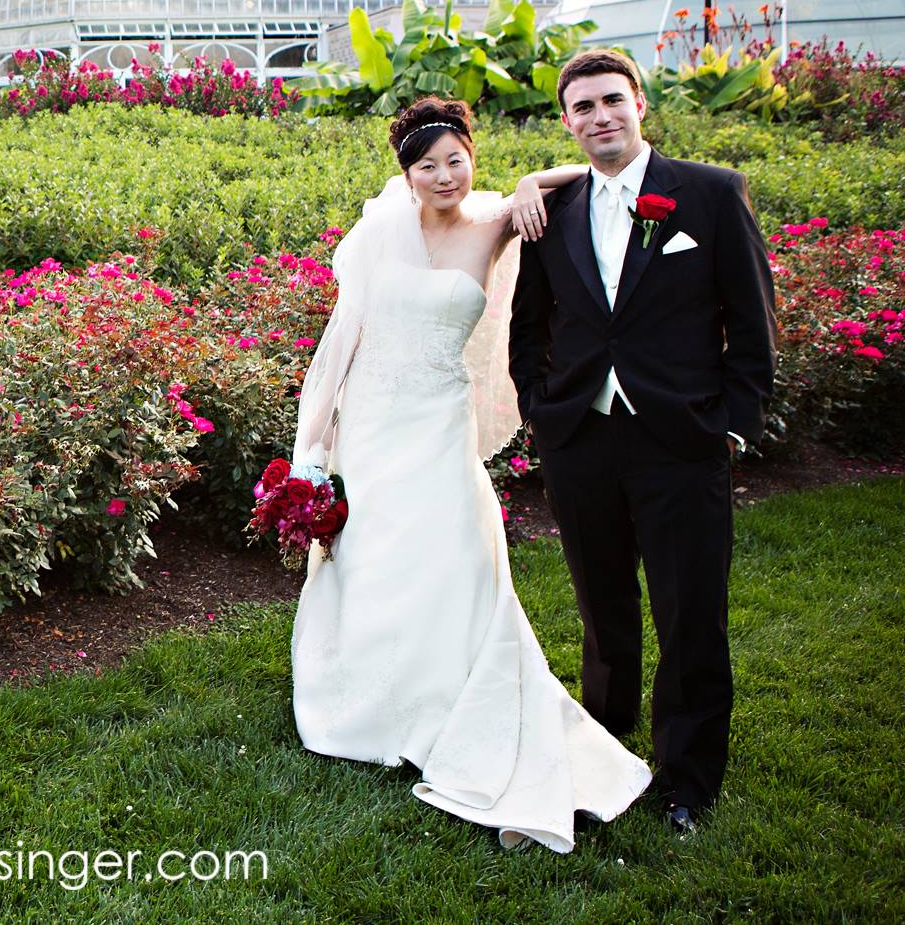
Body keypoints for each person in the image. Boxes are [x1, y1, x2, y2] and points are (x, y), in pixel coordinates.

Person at [287, 95, 653, 853]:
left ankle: (459, 695)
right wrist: (312, 454)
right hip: (375, 424)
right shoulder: (379, 235)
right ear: (408, 175)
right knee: (374, 559)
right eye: (429, 165)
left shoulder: (493, 222)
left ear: (471, 160)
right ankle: (374, 702)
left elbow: (586, 171)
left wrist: (526, 183)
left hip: (440, 425)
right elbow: (339, 349)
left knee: (454, 556)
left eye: (457, 159)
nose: (446, 174)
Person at [509, 49, 777, 835]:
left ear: (640, 105)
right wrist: (538, 404)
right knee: (603, 605)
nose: (600, 117)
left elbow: (753, 324)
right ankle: (606, 745)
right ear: (567, 120)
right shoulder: (549, 210)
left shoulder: (711, 195)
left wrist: (730, 422)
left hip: (681, 439)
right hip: (580, 437)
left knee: (691, 610)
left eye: (612, 101)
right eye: (583, 106)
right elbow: (529, 324)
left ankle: (688, 781)